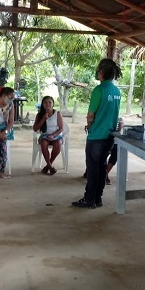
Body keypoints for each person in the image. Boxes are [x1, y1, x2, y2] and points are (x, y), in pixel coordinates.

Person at [72, 58, 122, 209]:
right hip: (110, 136)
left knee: (93, 169)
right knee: (101, 167)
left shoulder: (99, 90)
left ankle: (89, 199)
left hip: (97, 136)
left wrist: (89, 124)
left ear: (101, 72)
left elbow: (91, 114)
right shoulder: (116, 91)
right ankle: (98, 198)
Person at [32, 96, 63, 176]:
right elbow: (35, 129)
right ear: (42, 104)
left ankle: (47, 166)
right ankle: (50, 166)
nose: (48, 104)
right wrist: (43, 119)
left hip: (56, 135)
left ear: (53, 104)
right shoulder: (39, 115)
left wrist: (53, 135)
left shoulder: (57, 114)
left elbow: (61, 128)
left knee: (58, 144)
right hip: (45, 136)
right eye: (45, 102)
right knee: (43, 143)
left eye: (50, 102)